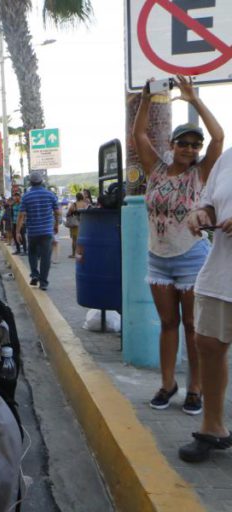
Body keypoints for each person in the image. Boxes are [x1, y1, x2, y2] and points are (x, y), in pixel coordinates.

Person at [133, 74, 224, 414]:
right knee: (168, 324)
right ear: (171, 145)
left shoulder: (200, 173)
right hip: (158, 259)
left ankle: (195, 388)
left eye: (193, 145)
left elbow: (218, 137)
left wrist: (193, 99)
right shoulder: (155, 170)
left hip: (191, 258)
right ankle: (167, 384)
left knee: (192, 326)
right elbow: (138, 134)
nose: (189, 149)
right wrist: (145, 99)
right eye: (182, 143)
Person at [179, 147, 232, 462]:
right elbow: (209, 203)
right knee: (208, 343)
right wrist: (201, 215)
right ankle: (213, 427)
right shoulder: (227, 158)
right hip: (222, 271)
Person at [16, 171, 61, 291]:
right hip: (47, 232)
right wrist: (56, 225)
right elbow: (57, 212)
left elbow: (21, 216)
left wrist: (17, 232)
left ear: (30, 182)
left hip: (33, 232)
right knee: (46, 257)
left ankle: (35, 275)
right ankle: (44, 283)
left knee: (32, 253)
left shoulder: (26, 196)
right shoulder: (50, 194)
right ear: (42, 181)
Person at [66, 192, 88, 257]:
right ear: (82, 197)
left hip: (75, 224)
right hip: (84, 224)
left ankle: (73, 254)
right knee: (83, 239)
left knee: (74, 240)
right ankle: (82, 253)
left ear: (76, 197)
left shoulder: (74, 205)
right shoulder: (85, 204)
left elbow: (68, 213)